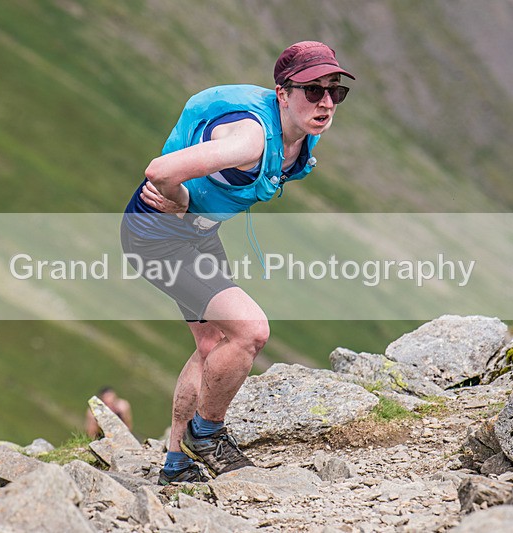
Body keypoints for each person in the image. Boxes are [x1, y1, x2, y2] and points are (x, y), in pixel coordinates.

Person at [121, 41, 354, 485]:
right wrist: (183, 203)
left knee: (212, 344)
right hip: (157, 238)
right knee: (250, 330)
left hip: (196, 233)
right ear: (282, 93)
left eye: (334, 91)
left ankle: (176, 464)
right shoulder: (249, 140)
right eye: (312, 91)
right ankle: (206, 434)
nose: (325, 101)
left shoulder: (302, 128)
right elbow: (160, 171)